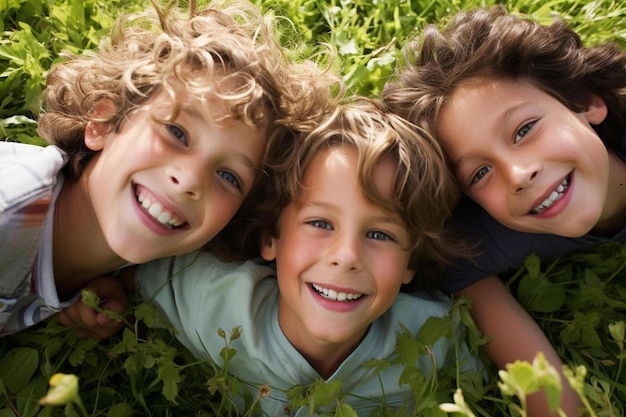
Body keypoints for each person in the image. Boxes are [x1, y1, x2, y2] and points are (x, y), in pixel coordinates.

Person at [0, 0, 339, 337]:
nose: (190, 180)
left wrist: (103, 283)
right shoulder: (9, 207)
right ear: (102, 123)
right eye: (176, 133)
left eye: (229, 176)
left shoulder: (126, 246)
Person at [133, 97, 481, 416]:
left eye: (379, 234)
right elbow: (131, 266)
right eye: (320, 223)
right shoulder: (208, 298)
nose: (346, 256)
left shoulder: (435, 344)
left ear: (411, 263)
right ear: (272, 236)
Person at [382, 5, 626, 416]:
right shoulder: (494, 236)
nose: (517, 175)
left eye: (524, 129)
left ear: (586, 101)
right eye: (480, 173)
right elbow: (555, 405)